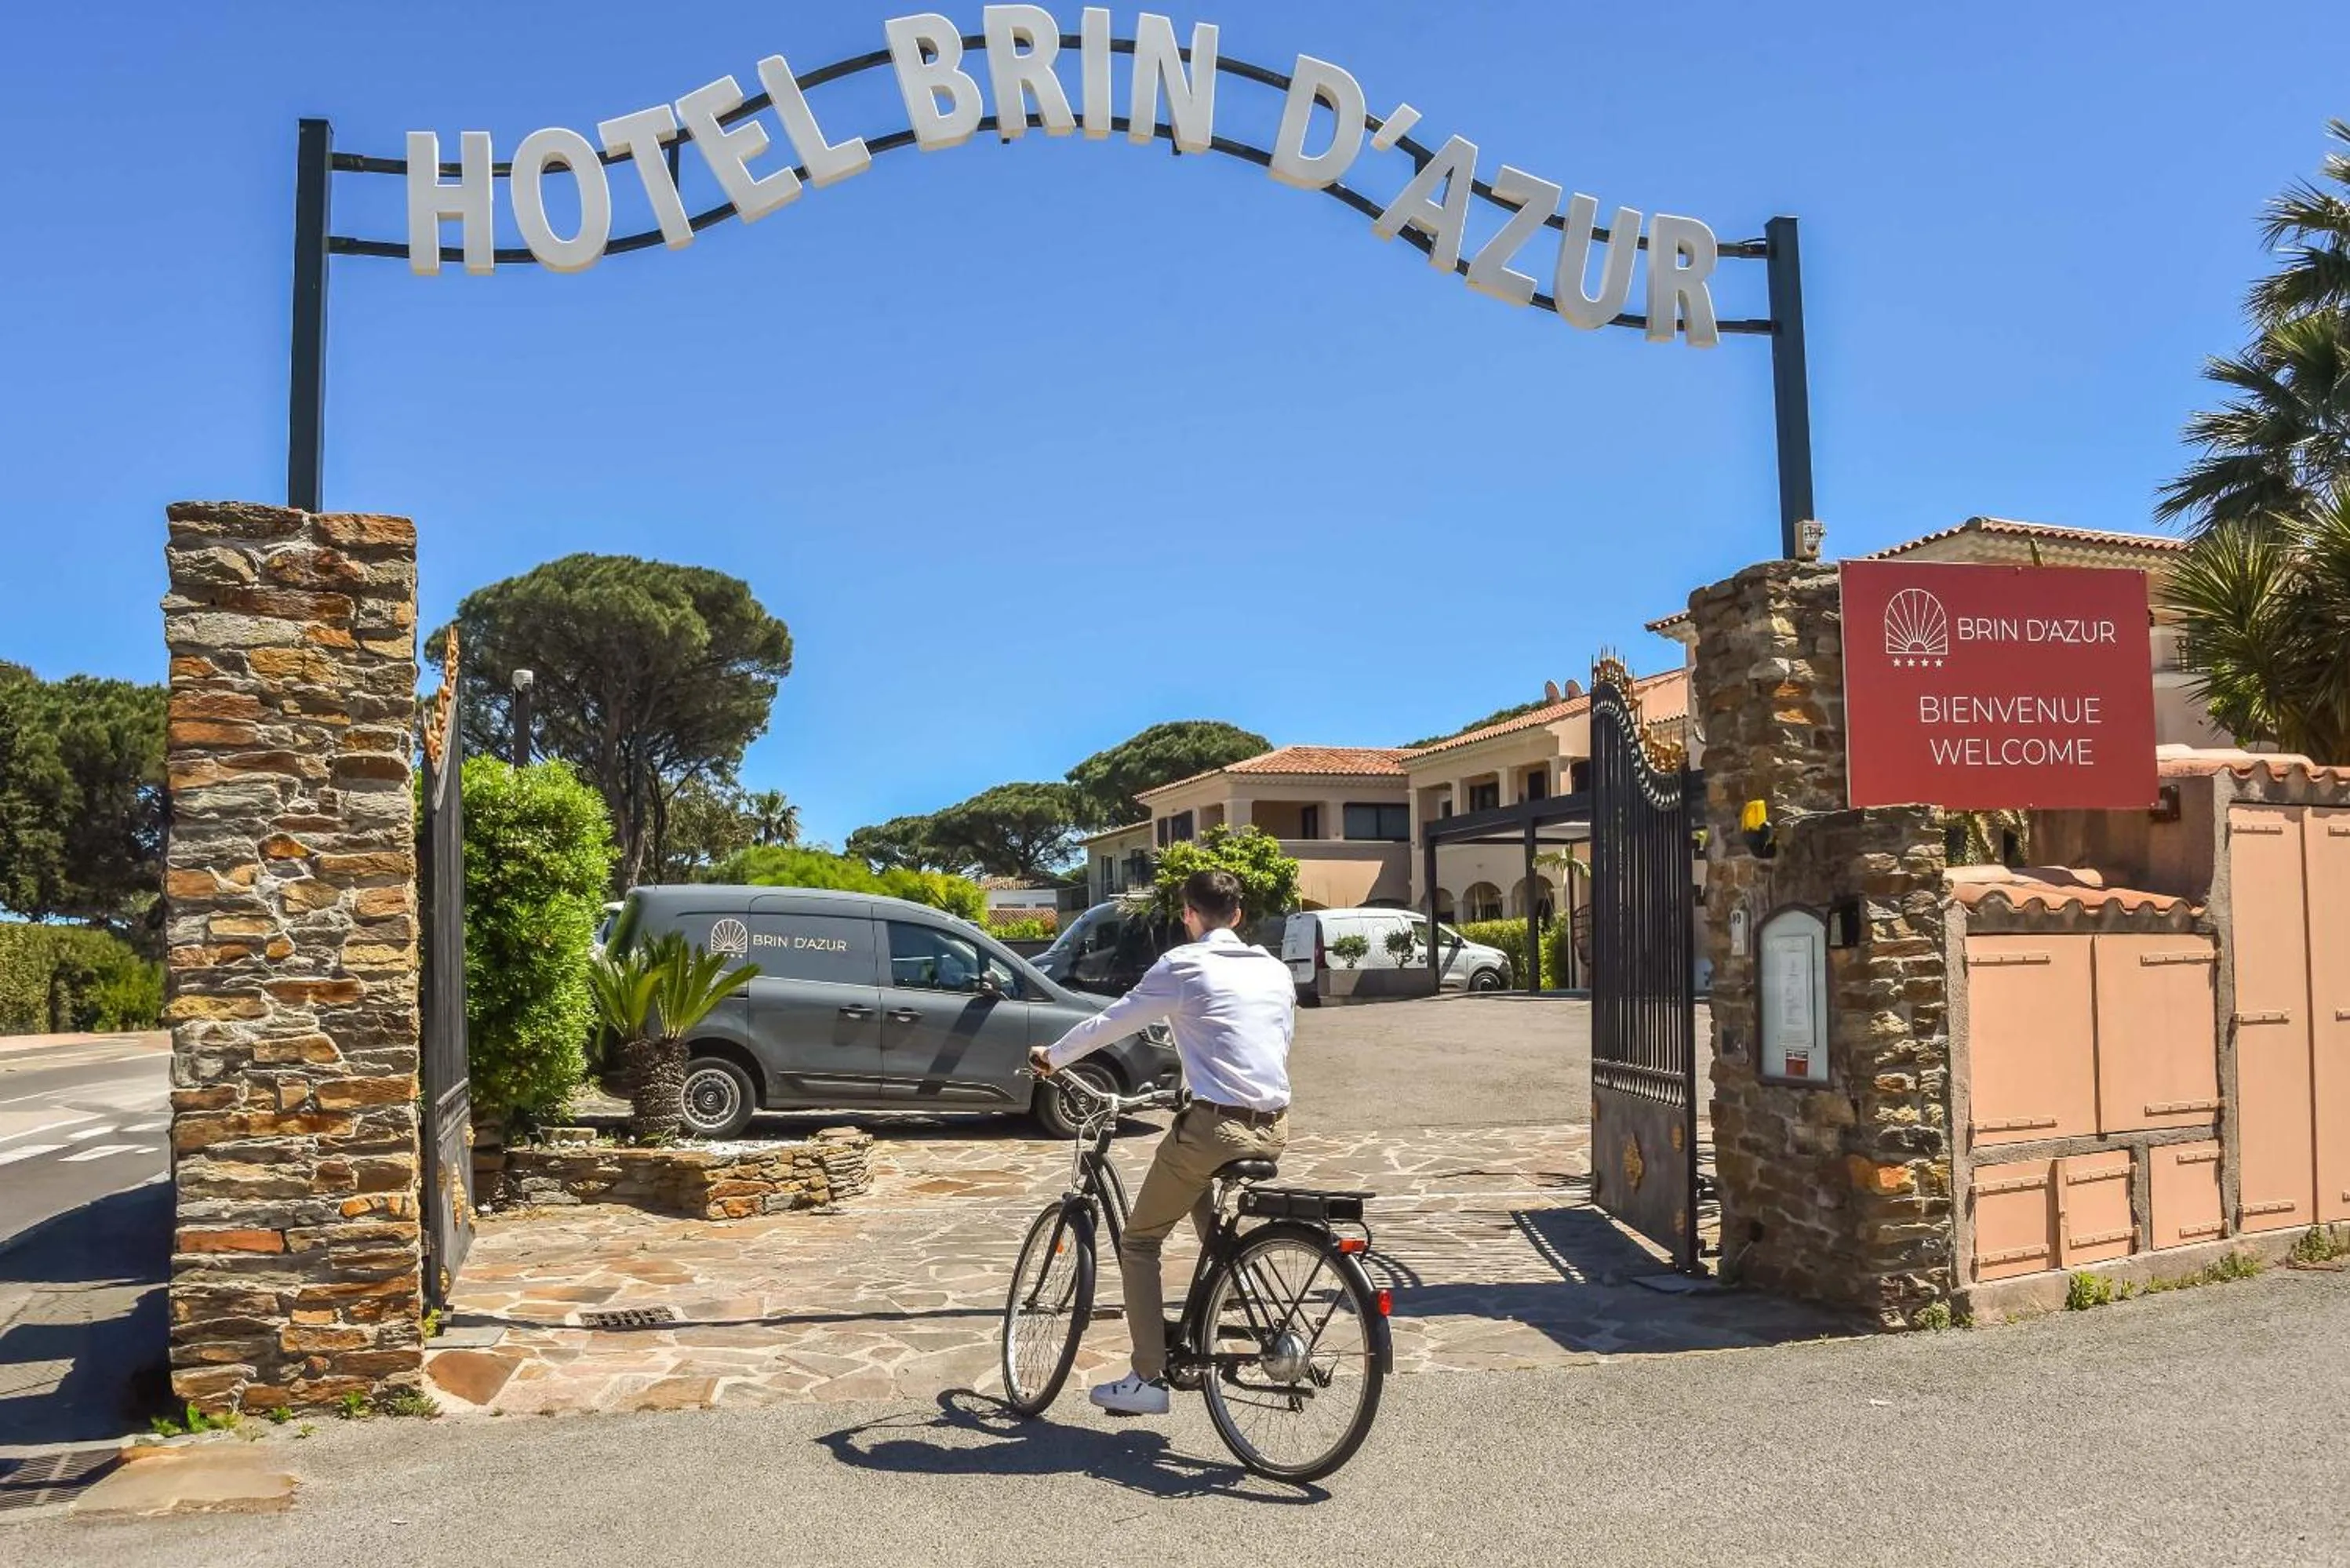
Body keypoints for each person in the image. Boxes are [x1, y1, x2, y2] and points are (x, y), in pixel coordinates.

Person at [1028, 868, 1293, 1416]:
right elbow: (1264, 1039)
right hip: (1274, 1125)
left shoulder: (1183, 964)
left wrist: (1052, 1056)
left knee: (1139, 1243)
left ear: (1188, 915)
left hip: (1215, 1127)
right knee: (1193, 1188)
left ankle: (1147, 1376)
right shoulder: (1273, 969)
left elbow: (1113, 1021)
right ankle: (1225, 1291)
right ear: (1238, 915)